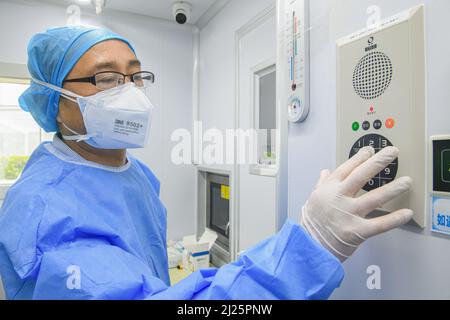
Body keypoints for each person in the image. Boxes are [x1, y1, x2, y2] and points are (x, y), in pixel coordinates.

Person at [0, 26, 414, 300]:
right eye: (106, 79)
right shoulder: (43, 212)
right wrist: (310, 246)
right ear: (55, 102)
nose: (129, 93)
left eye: (136, 76)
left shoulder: (134, 176)